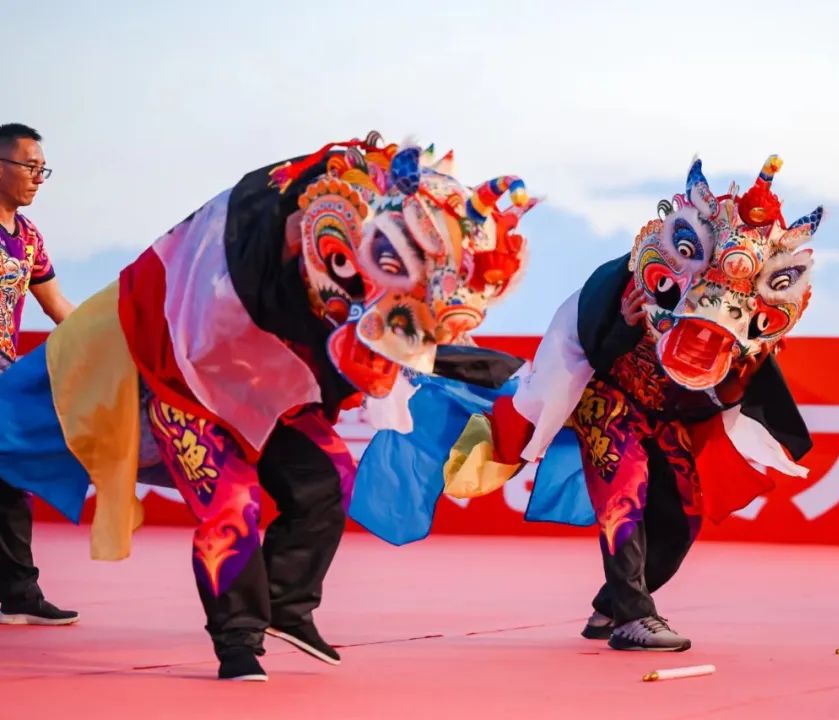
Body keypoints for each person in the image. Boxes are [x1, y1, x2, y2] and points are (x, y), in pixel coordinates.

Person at [0, 133, 536, 680]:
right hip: (188, 381)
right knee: (230, 505)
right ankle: (238, 640)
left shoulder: (386, 276)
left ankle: (287, 603)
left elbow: (405, 341)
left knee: (328, 478)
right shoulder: (258, 237)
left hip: (275, 386)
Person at [351, 155, 821, 652]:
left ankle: (611, 606)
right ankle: (633, 619)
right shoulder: (627, 284)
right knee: (626, 493)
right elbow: (592, 349)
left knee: (683, 520)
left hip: (673, 419)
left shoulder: (750, 331)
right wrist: (624, 324)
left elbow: (726, 395)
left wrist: (744, 357)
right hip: (608, 397)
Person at [0, 123, 78, 626]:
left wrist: (109, 339)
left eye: (41, 168)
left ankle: (18, 594)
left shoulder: (28, 238)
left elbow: (57, 307)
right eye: (29, 166)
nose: (37, 177)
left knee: (10, 480)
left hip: (4, 376)